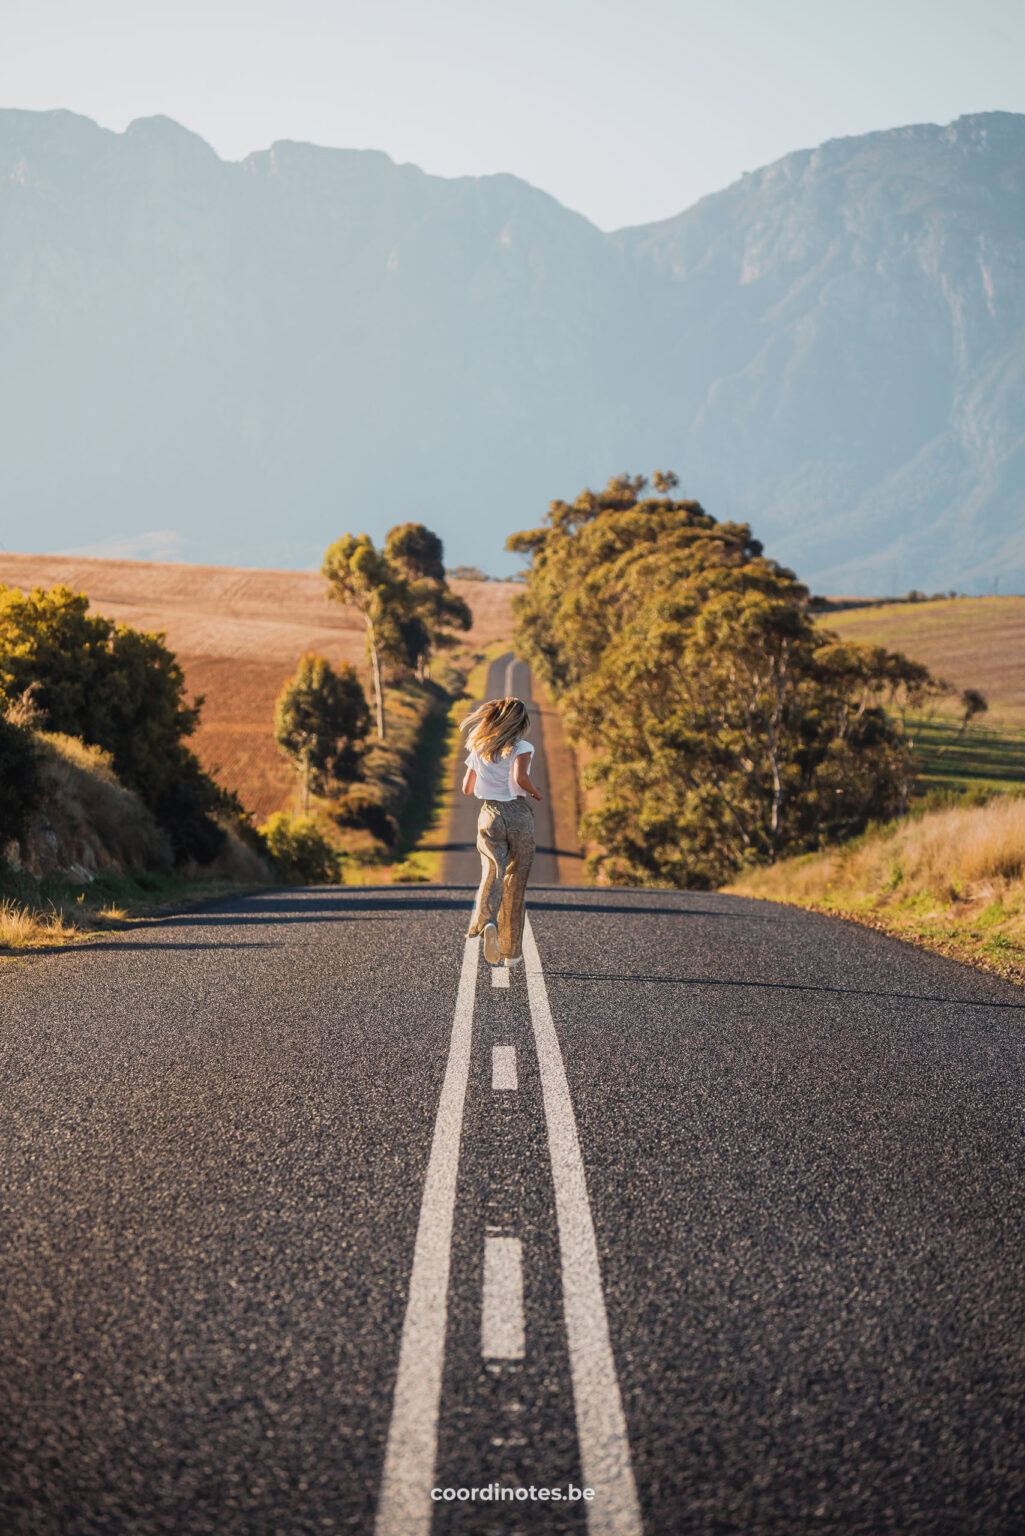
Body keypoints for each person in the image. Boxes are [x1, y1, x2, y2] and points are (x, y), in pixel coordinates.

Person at [461, 696, 543, 966]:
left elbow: (467, 788)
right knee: (516, 880)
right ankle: (511, 952)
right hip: (518, 814)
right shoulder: (522, 747)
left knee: (493, 871)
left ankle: (485, 921)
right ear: (521, 722)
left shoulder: (479, 745)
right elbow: (520, 778)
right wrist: (535, 793)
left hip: (489, 814)